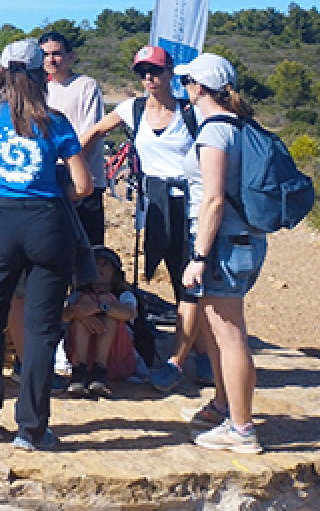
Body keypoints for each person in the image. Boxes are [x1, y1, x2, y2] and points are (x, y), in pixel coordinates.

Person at [0, 38, 92, 452]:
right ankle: (31, 428)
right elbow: (84, 185)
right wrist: (51, 196)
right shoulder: (54, 121)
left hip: (1, 218)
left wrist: (1, 190)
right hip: (47, 223)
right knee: (41, 328)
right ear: (41, 75)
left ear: (1, 71)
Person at [78, 45, 208, 391]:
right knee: (170, 275)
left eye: (156, 71)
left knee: (190, 283)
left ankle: (185, 361)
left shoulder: (191, 111)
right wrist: (69, 163)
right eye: (143, 73)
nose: (149, 78)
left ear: (171, 74)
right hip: (156, 205)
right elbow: (94, 132)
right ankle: (194, 354)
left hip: (191, 205)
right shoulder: (132, 109)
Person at [175, 53, 268, 455]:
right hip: (243, 239)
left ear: (199, 87)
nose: (184, 90)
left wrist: (198, 256)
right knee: (219, 330)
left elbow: (212, 199)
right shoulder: (240, 125)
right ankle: (223, 405)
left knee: (229, 335)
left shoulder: (214, 132)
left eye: (187, 83)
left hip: (223, 245)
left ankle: (242, 430)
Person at [40, 31, 107, 246]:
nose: (51, 59)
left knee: (89, 251)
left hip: (85, 183)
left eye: (57, 54)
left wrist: (66, 163)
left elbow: (92, 132)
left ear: (70, 56)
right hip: (50, 183)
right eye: (45, 54)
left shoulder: (86, 86)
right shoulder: (40, 91)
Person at [62, 246, 138, 397]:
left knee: (108, 303)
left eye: (105, 264)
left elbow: (129, 313)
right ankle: (80, 370)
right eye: (95, 263)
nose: (99, 268)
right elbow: (64, 316)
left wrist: (99, 307)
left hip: (117, 359)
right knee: (82, 302)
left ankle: (100, 370)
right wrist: (84, 315)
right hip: (82, 354)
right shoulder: (78, 295)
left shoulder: (125, 296)